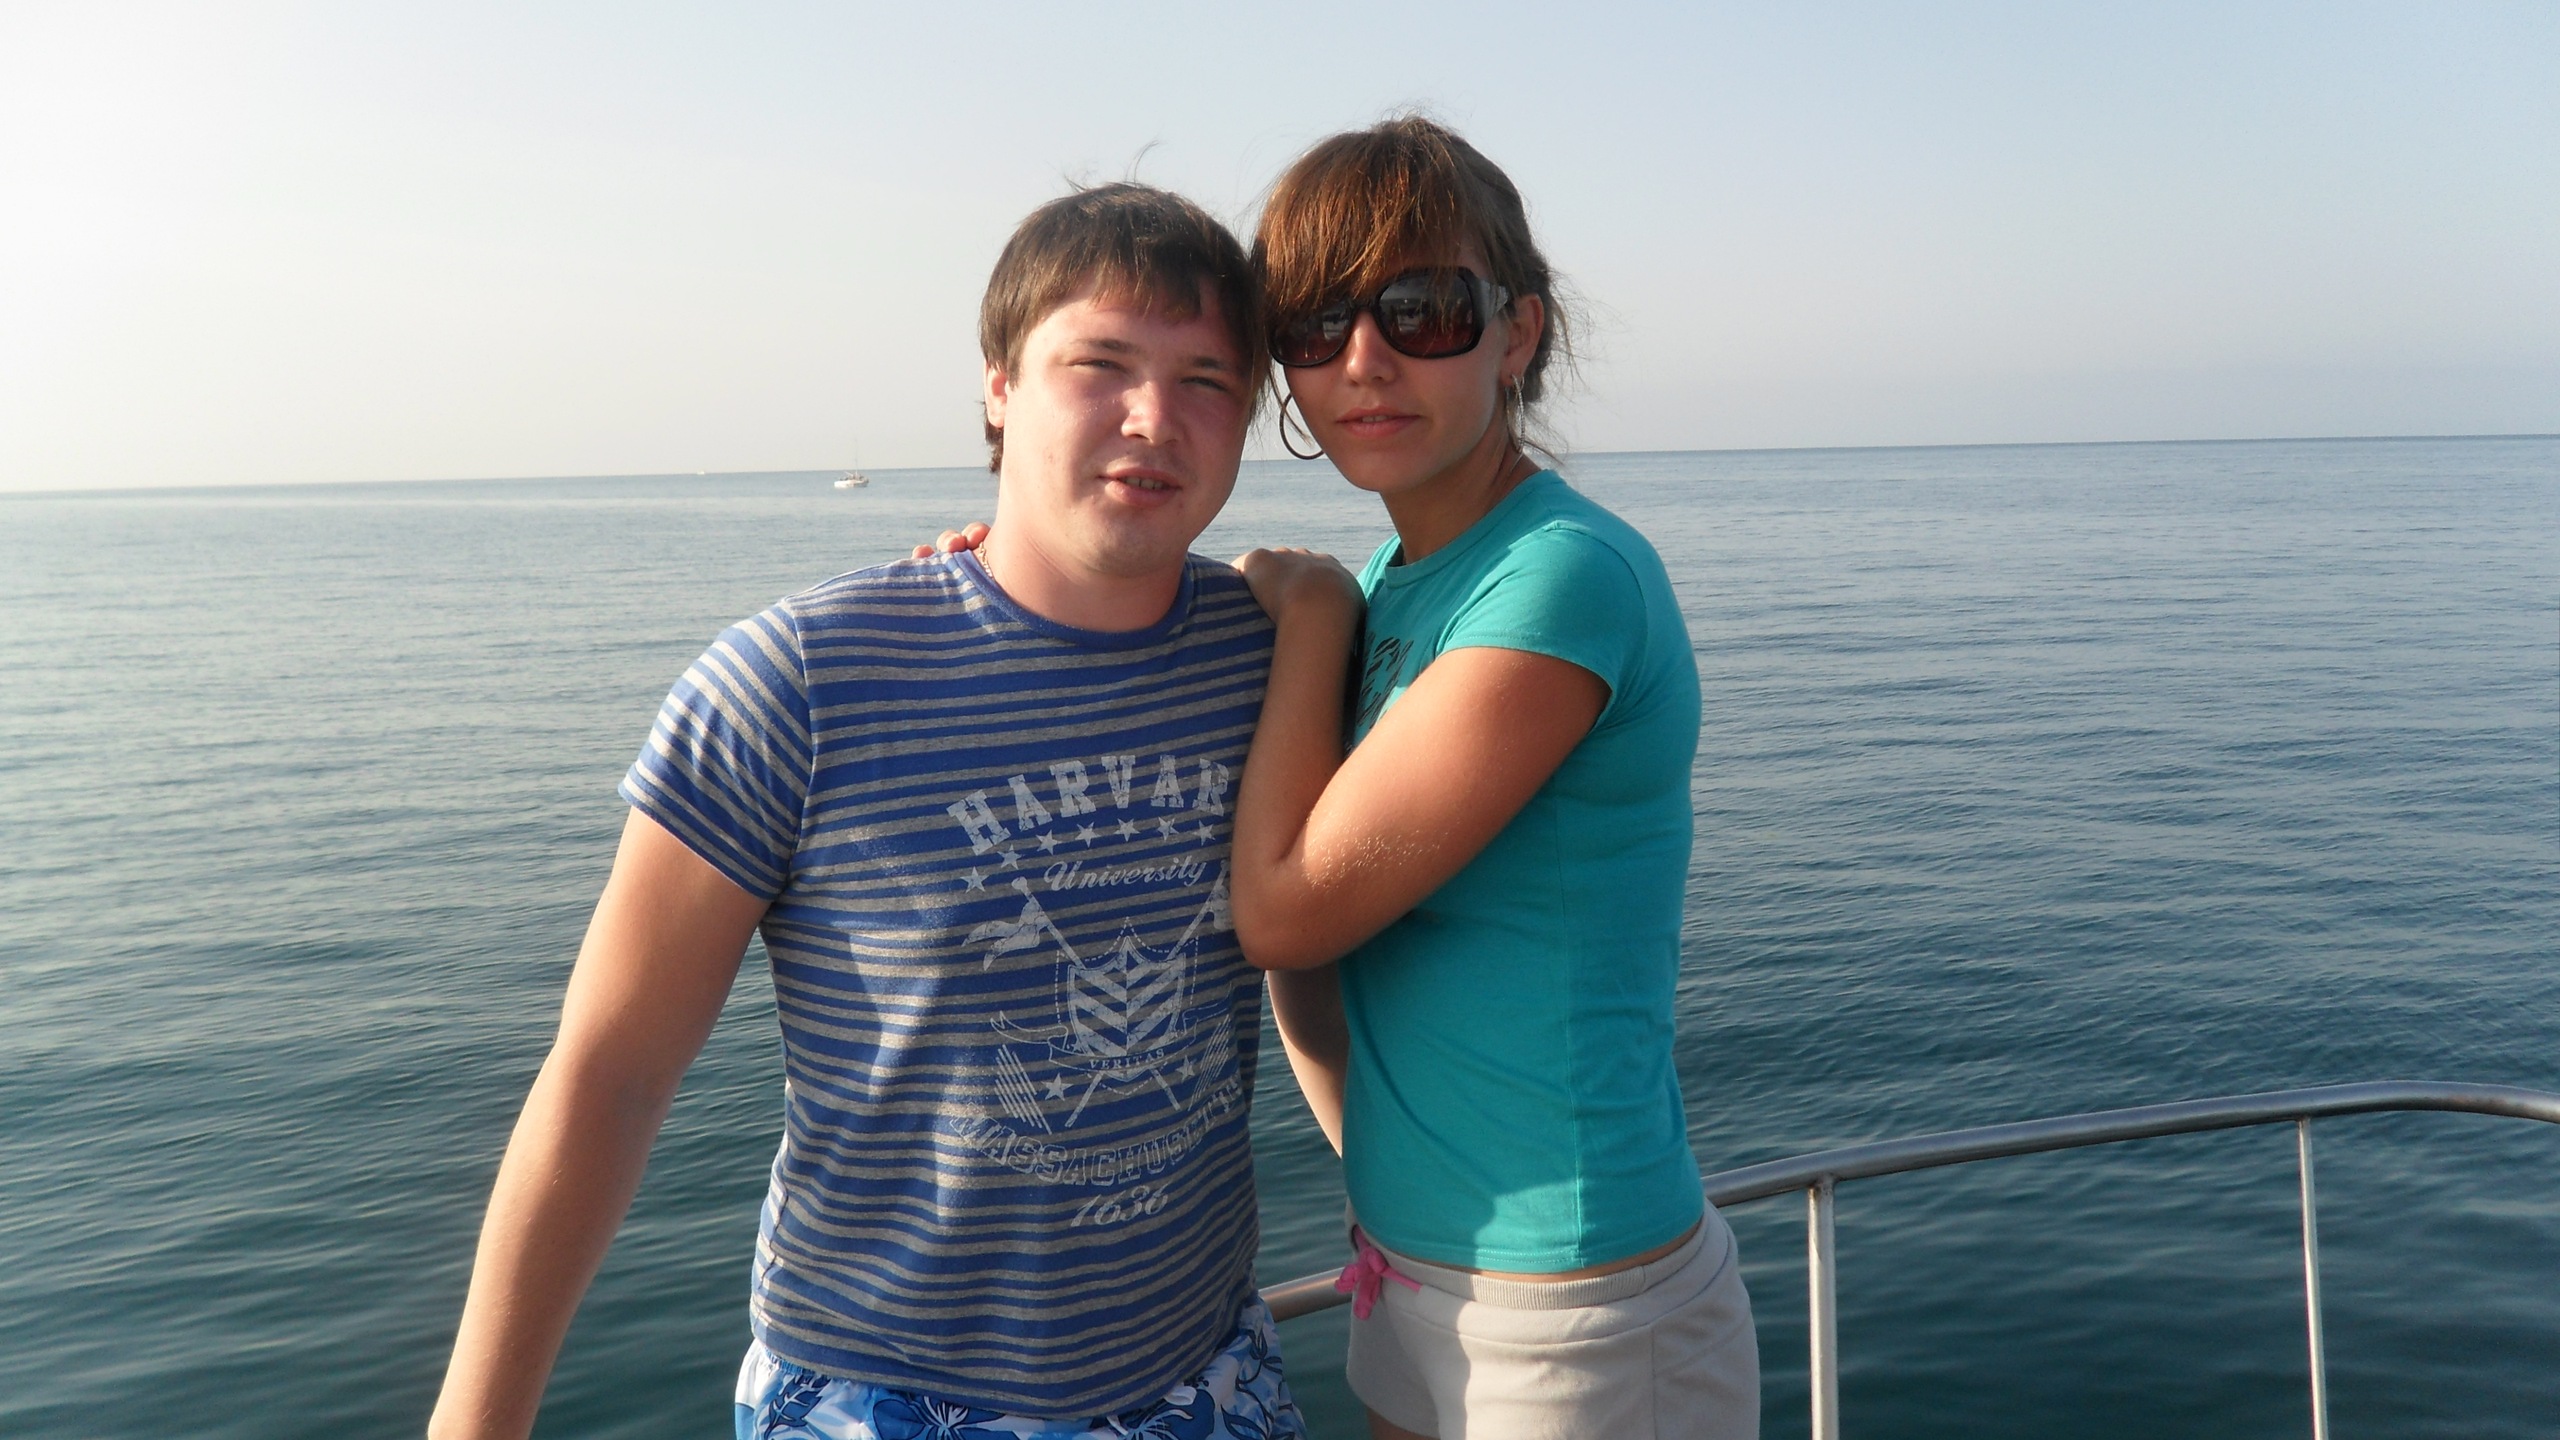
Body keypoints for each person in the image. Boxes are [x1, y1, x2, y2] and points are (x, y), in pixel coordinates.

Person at [428, 183, 1307, 1440]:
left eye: (1206, 379)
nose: (1152, 417)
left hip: (1204, 1377)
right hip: (883, 1396)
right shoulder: (795, 682)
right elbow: (609, 1076)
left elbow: (1326, 958)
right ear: (999, 386)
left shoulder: (1271, 657)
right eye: (1098, 364)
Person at [1225, 118, 1760, 1440]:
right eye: (1316, 323)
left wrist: (1306, 619)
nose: (1364, 359)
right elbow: (1320, 953)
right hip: (1410, 1265)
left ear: (1518, 333)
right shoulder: (1394, 586)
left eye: (1421, 310)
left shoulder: (1560, 576)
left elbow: (1283, 911)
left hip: (1574, 1305)